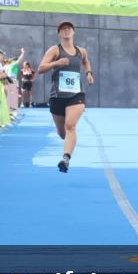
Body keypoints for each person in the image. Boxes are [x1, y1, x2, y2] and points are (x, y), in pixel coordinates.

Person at [38, 21, 94, 173]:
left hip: (76, 94)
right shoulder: (55, 50)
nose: (66, 31)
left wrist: (89, 73)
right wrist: (57, 63)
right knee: (62, 133)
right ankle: (67, 143)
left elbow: (85, 62)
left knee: (70, 126)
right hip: (57, 96)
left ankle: (66, 158)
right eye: (63, 29)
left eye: (69, 29)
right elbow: (41, 68)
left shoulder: (81, 51)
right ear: (59, 34)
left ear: (73, 32)